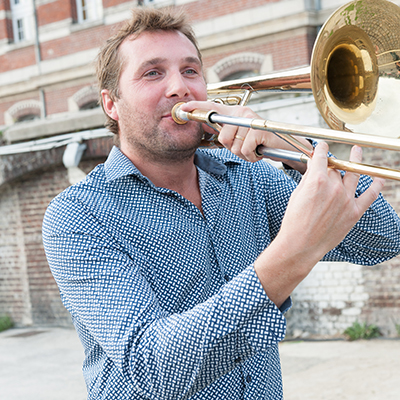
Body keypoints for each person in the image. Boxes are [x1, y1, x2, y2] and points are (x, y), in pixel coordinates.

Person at [42, 7, 400, 400]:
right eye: (152, 72)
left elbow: (382, 240)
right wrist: (289, 258)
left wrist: (288, 146)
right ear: (112, 104)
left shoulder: (250, 175)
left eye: (191, 71)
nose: (180, 87)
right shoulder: (77, 215)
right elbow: (152, 369)